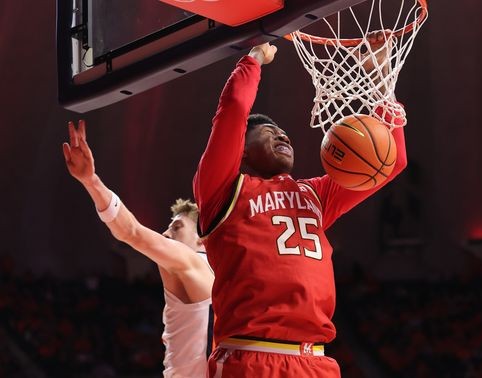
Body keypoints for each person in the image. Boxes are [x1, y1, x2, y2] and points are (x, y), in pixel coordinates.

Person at [193, 34, 407, 377]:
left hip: (316, 362)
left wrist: (381, 83)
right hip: (251, 356)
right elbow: (232, 110)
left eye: (283, 132)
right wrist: (253, 61)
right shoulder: (224, 191)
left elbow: (390, 163)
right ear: (241, 150)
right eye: (267, 131)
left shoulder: (316, 195)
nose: (282, 135)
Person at [63, 120, 214, 377]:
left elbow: (130, 231)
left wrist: (91, 181)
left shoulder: (194, 263)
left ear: (203, 240)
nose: (165, 233)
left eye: (177, 227)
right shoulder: (217, 274)